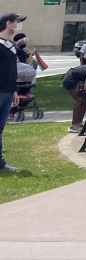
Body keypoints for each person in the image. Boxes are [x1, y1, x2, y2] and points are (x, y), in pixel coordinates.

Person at [0, 12, 27, 172]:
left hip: (8, 92)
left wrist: (15, 90)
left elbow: (12, 71)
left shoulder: (10, 45)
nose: (18, 25)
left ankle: (0, 163)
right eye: (17, 22)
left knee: (1, 128)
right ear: (8, 23)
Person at [63, 63, 86, 133]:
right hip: (71, 78)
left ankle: (79, 124)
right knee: (79, 100)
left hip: (77, 78)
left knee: (84, 101)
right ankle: (74, 126)